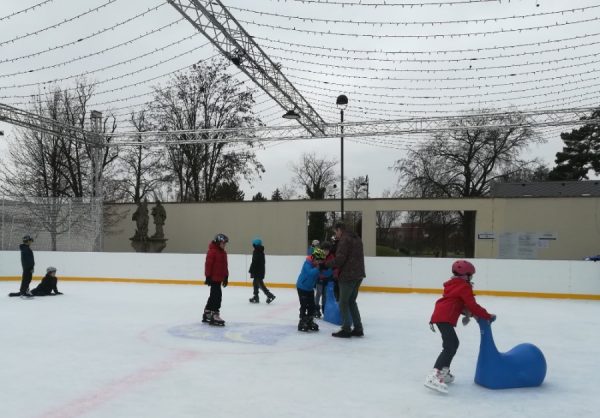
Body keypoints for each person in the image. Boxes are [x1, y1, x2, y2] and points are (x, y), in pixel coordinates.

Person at [424, 259, 496, 394]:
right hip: (444, 317)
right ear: (466, 275)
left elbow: (458, 303)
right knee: (450, 346)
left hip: (441, 315)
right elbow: (472, 305)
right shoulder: (464, 287)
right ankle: (434, 375)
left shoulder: (454, 284)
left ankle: (444, 372)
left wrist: (471, 314)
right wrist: (487, 316)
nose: (472, 278)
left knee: (453, 344)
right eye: (471, 275)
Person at [327, 222, 365, 338]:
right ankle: (358, 328)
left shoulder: (344, 240)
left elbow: (340, 259)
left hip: (348, 275)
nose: (336, 235)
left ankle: (346, 328)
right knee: (351, 301)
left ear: (339, 229)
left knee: (343, 302)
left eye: (336, 232)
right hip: (358, 274)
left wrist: (326, 264)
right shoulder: (356, 238)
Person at [295, 247, 326, 332]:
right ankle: (302, 321)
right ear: (314, 258)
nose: (320, 262)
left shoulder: (317, 266)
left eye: (321, 261)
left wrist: (327, 268)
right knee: (304, 305)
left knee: (312, 305)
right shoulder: (307, 263)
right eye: (319, 260)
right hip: (302, 287)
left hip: (310, 288)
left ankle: (309, 320)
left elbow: (324, 274)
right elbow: (310, 273)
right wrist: (318, 268)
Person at [203, 233, 229, 326]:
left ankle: (207, 312)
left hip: (219, 278)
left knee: (213, 295)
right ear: (218, 242)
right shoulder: (212, 251)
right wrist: (208, 276)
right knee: (217, 296)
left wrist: (226, 276)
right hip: (213, 278)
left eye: (225, 243)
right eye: (223, 243)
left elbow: (225, 266)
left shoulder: (223, 253)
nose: (224, 245)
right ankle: (215, 314)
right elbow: (208, 264)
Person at [248, 238, 276, 304]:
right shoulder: (260, 251)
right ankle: (256, 297)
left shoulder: (256, 251)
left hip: (257, 271)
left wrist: (251, 270)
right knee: (255, 283)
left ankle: (270, 295)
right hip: (260, 271)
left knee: (260, 284)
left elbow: (254, 262)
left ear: (255, 244)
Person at [314, 241, 334, 318]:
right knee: (318, 293)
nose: (326, 252)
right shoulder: (319, 255)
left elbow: (332, 268)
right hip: (319, 278)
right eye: (324, 250)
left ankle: (324, 308)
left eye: (327, 250)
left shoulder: (331, 257)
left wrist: (328, 273)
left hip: (327, 279)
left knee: (325, 294)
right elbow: (316, 265)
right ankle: (316, 308)